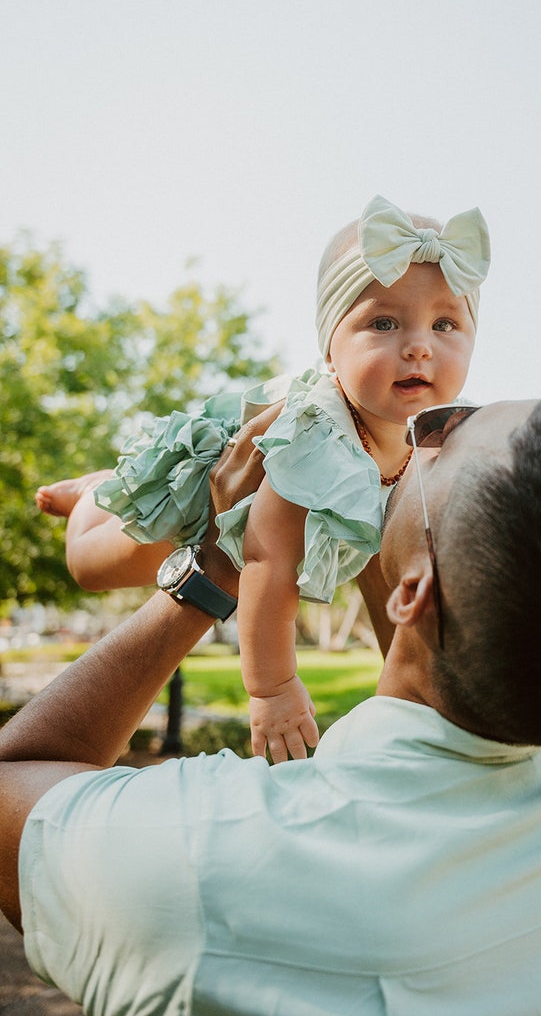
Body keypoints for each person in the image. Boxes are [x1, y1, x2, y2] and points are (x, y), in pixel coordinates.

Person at [0, 380, 541, 1016]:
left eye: (442, 436)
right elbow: (436, 644)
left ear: (420, 592)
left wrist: (220, 560)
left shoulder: (219, 865)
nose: (423, 426)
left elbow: (15, 778)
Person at [35, 194, 490, 762]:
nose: (420, 345)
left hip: (276, 528)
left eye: (446, 322)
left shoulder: (455, 432)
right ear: (330, 350)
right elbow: (266, 560)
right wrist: (273, 689)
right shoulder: (317, 434)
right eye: (384, 322)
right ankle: (92, 496)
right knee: (90, 563)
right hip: (204, 503)